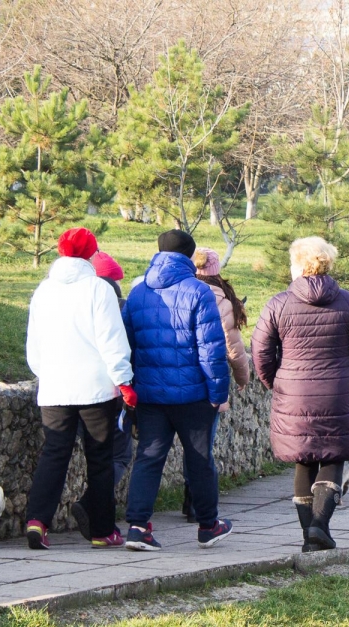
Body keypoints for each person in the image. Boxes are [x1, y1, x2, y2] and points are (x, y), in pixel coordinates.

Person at [251, 237, 349, 552]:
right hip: (335, 390)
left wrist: (276, 382)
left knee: (303, 460)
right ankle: (319, 527)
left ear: (297, 266)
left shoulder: (278, 304)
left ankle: (311, 533)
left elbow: (260, 352)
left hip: (293, 392)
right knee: (333, 456)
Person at [122, 229, 233, 551]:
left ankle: (137, 527)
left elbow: (128, 345)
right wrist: (218, 393)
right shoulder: (199, 292)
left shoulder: (139, 293)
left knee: (148, 458)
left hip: (150, 395)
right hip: (193, 395)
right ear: (189, 256)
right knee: (199, 460)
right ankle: (208, 525)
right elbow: (210, 350)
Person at [24, 227, 135, 550]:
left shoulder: (43, 291)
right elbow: (112, 341)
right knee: (99, 457)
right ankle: (101, 530)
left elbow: (35, 345)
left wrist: (46, 373)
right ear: (91, 253)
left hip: (55, 386)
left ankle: (37, 520)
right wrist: (123, 381)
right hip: (95, 389)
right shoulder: (98, 289)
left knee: (54, 454)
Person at [176, 247, 251, 522]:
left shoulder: (179, 290)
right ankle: (194, 501)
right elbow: (233, 347)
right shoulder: (221, 298)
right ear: (215, 269)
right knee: (201, 447)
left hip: (175, 377)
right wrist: (243, 378)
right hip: (208, 381)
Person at [68, 249, 135, 541]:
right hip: (109, 391)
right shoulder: (116, 305)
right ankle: (90, 505)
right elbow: (121, 349)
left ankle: (91, 509)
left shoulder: (66, 301)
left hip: (67, 389)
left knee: (96, 454)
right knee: (118, 454)